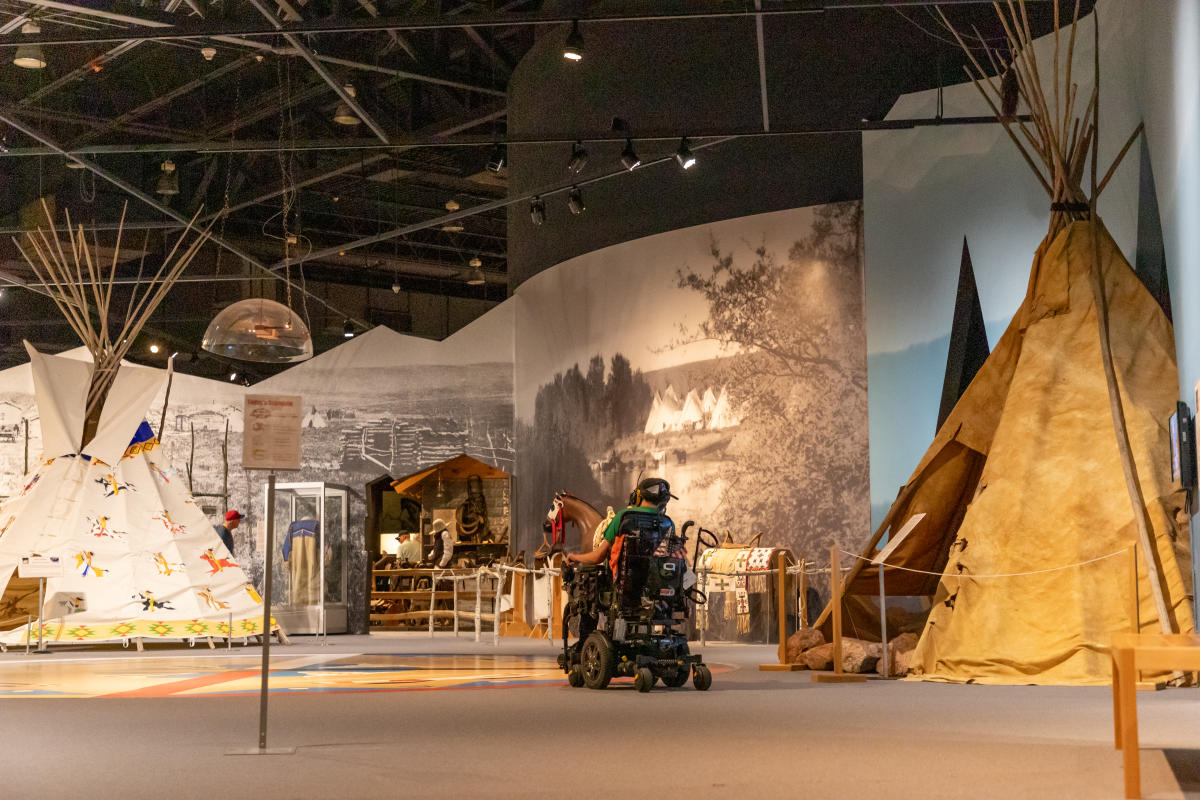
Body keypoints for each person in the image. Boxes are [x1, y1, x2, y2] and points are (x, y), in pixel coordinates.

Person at [565, 478, 677, 569]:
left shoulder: (623, 517)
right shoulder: (668, 523)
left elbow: (598, 557)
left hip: (623, 588)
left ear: (637, 497)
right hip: (655, 587)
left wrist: (574, 557)